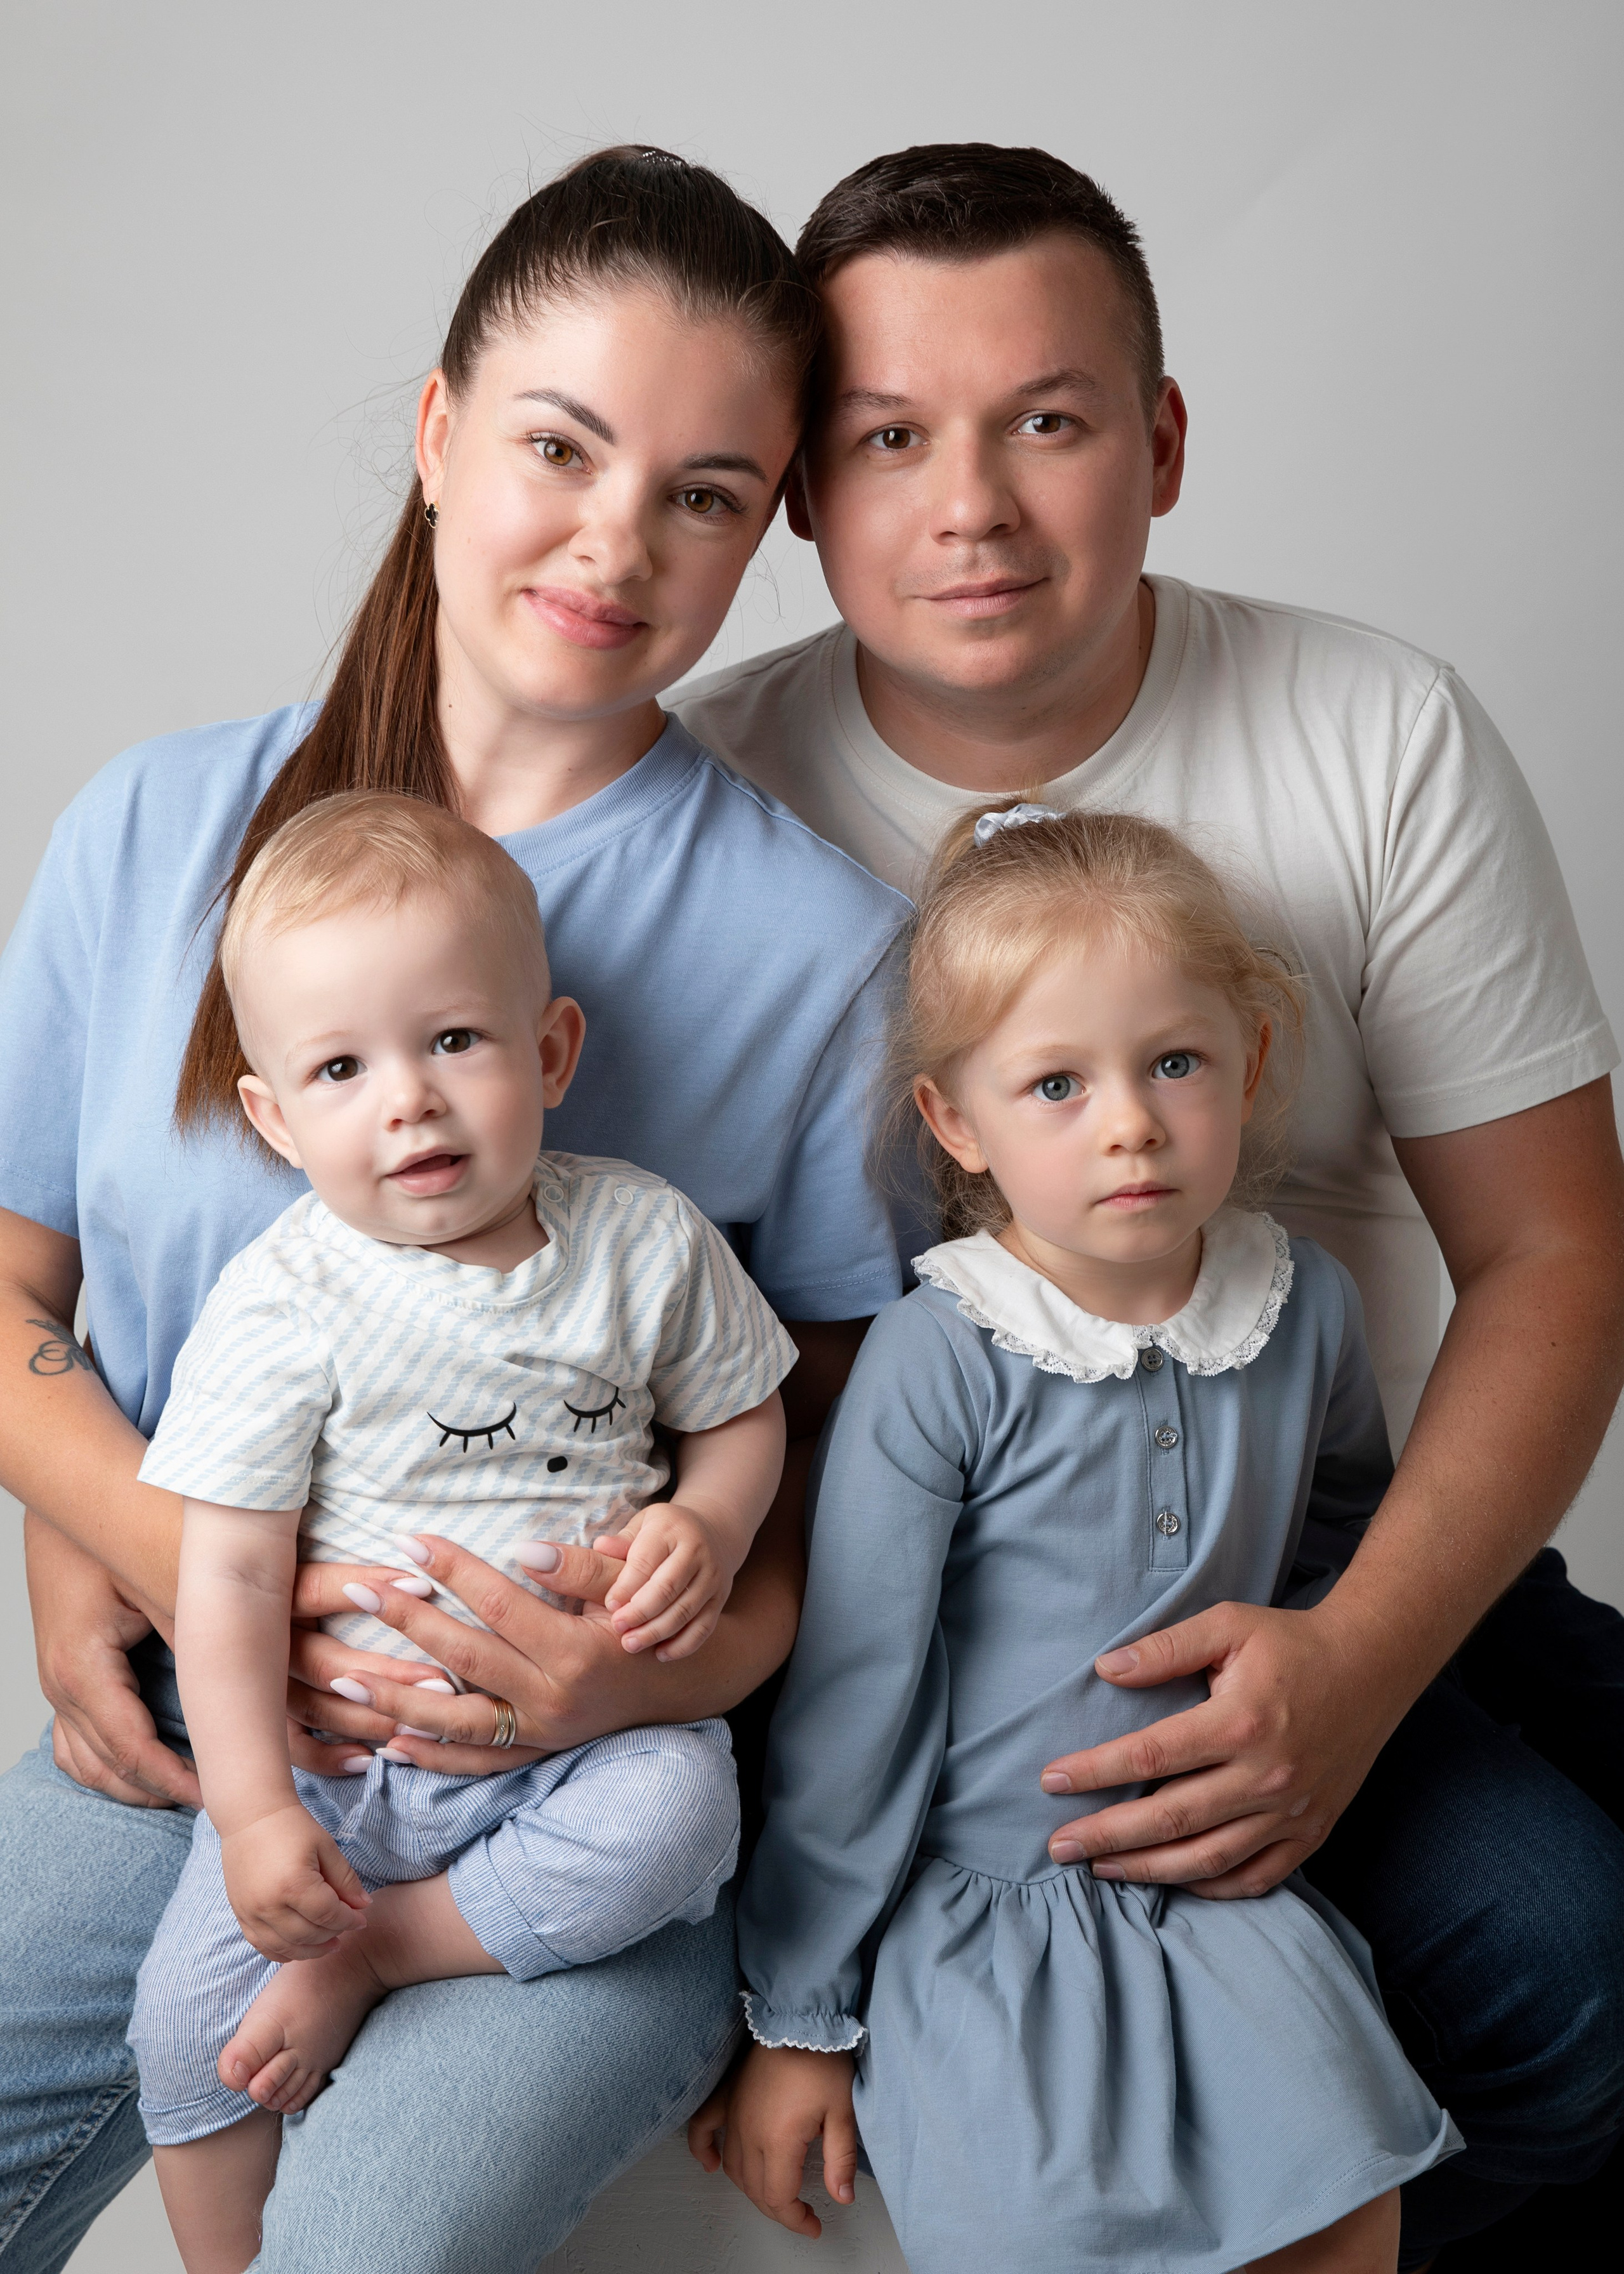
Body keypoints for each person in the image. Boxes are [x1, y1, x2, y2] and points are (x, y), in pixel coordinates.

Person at [682, 143, 1624, 2264]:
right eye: (890, 436)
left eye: (1051, 420)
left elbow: (1558, 1252)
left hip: (1334, 1532)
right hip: (963, 1602)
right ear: (804, 491)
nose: (976, 504)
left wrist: (1362, 1661)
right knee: (1563, 1959)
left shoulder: (1373, 729)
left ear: (1164, 443)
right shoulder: (708, 800)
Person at [0, 147, 909, 2274]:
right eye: (559, 448)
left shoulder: (824, 950)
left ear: (770, 525)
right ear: (436, 433)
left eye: (705, 489)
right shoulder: (153, 828)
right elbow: (17, 1270)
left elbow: (847, 1498)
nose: (618, 540)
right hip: (177, 1731)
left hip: (578, 1810)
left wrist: (622, 1684)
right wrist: (103, 1541)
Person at [724, 801, 1458, 2273]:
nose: (1127, 1120)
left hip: (1226, 1891)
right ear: (955, 1122)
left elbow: (1342, 1538)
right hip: (991, 1922)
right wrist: (801, 2013)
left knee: (1343, 2204)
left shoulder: (1297, 1302)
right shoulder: (939, 1353)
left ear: (1248, 1063)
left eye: (1171, 1062)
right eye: (1053, 1083)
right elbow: (860, 1697)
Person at [130, 792, 797, 2272]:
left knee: (678, 1823)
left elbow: (747, 1417)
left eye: (453, 1041)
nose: (408, 1101)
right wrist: (253, 1817)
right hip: (348, 1761)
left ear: (549, 1052)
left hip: (584, 1749)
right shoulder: (284, 1297)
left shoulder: (640, 1238)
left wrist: (708, 1515)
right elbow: (228, 1574)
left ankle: (389, 1947)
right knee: (183, 2029)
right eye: (341, 1068)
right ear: (275, 1118)